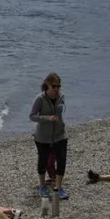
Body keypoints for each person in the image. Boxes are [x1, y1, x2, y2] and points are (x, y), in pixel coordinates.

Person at [29, 72, 69, 200]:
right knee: (43, 160)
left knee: (61, 160)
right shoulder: (39, 99)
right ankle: (42, 186)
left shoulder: (61, 97)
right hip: (43, 137)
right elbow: (32, 116)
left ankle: (59, 187)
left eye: (58, 86)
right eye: (54, 86)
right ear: (47, 86)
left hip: (60, 134)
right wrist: (47, 118)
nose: (56, 89)